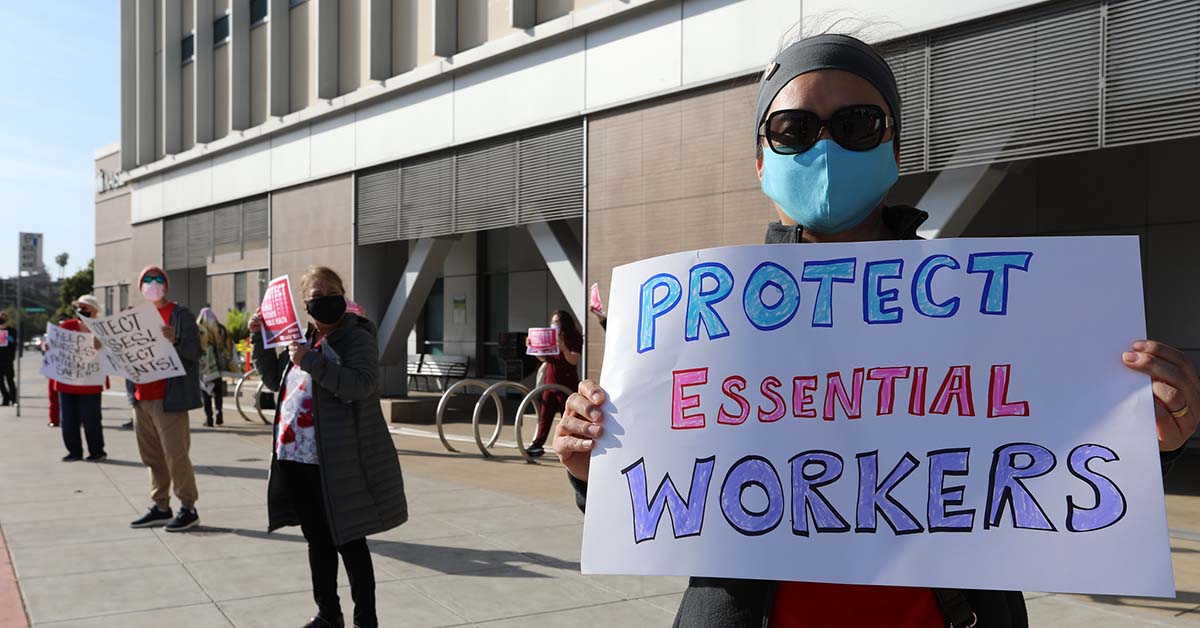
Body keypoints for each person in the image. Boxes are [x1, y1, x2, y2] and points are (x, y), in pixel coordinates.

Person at [553, 33, 1200, 628]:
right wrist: (594, 468)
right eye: (793, 128)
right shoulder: (701, 323)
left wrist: (1141, 440)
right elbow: (661, 504)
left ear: (893, 143)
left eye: (857, 124)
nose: (825, 146)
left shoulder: (988, 310)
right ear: (760, 160)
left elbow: (1056, 460)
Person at [250, 265, 407, 628]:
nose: (325, 301)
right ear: (304, 305)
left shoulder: (356, 337)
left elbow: (360, 385)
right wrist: (260, 340)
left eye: (331, 292)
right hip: (297, 457)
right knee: (317, 540)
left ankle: (365, 620)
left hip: (338, 460)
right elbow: (276, 379)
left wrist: (310, 360)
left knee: (349, 541)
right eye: (315, 297)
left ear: (343, 294)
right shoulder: (303, 337)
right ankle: (328, 613)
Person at [128, 266, 204, 533]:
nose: (152, 283)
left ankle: (188, 508)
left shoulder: (180, 315)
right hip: (141, 397)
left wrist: (177, 339)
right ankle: (161, 506)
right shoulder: (134, 317)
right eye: (146, 279)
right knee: (152, 458)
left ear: (166, 285)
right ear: (140, 286)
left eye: (158, 279)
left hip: (168, 398)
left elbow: (195, 351)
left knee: (176, 455)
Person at [53, 296, 108, 462]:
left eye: (85, 308)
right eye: (78, 307)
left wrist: (101, 346)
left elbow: (112, 354)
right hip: (67, 381)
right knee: (68, 420)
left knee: (91, 420)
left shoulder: (101, 329)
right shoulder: (67, 326)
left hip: (90, 383)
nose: (80, 310)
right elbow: (55, 345)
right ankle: (74, 452)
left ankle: (97, 451)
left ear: (94, 311)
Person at [525, 310, 582, 457]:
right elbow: (543, 358)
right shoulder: (550, 338)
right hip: (550, 383)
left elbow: (573, 360)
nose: (553, 325)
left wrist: (563, 347)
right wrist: (532, 347)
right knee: (545, 416)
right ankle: (537, 444)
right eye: (552, 322)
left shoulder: (574, 337)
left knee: (567, 417)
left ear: (564, 323)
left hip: (566, 384)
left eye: (556, 322)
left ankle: (570, 447)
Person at [197, 307, 238, 427]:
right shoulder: (220, 329)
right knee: (218, 392)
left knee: (206, 393)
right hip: (218, 368)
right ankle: (219, 415)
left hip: (204, 368)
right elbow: (229, 344)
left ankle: (209, 418)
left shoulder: (198, 329)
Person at [0, 311, 19, 406]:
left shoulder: (11, 330)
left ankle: (14, 399)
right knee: (0, 382)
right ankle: (6, 398)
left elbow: (13, 342)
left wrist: (6, 335)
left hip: (7, 359)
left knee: (10, 380)